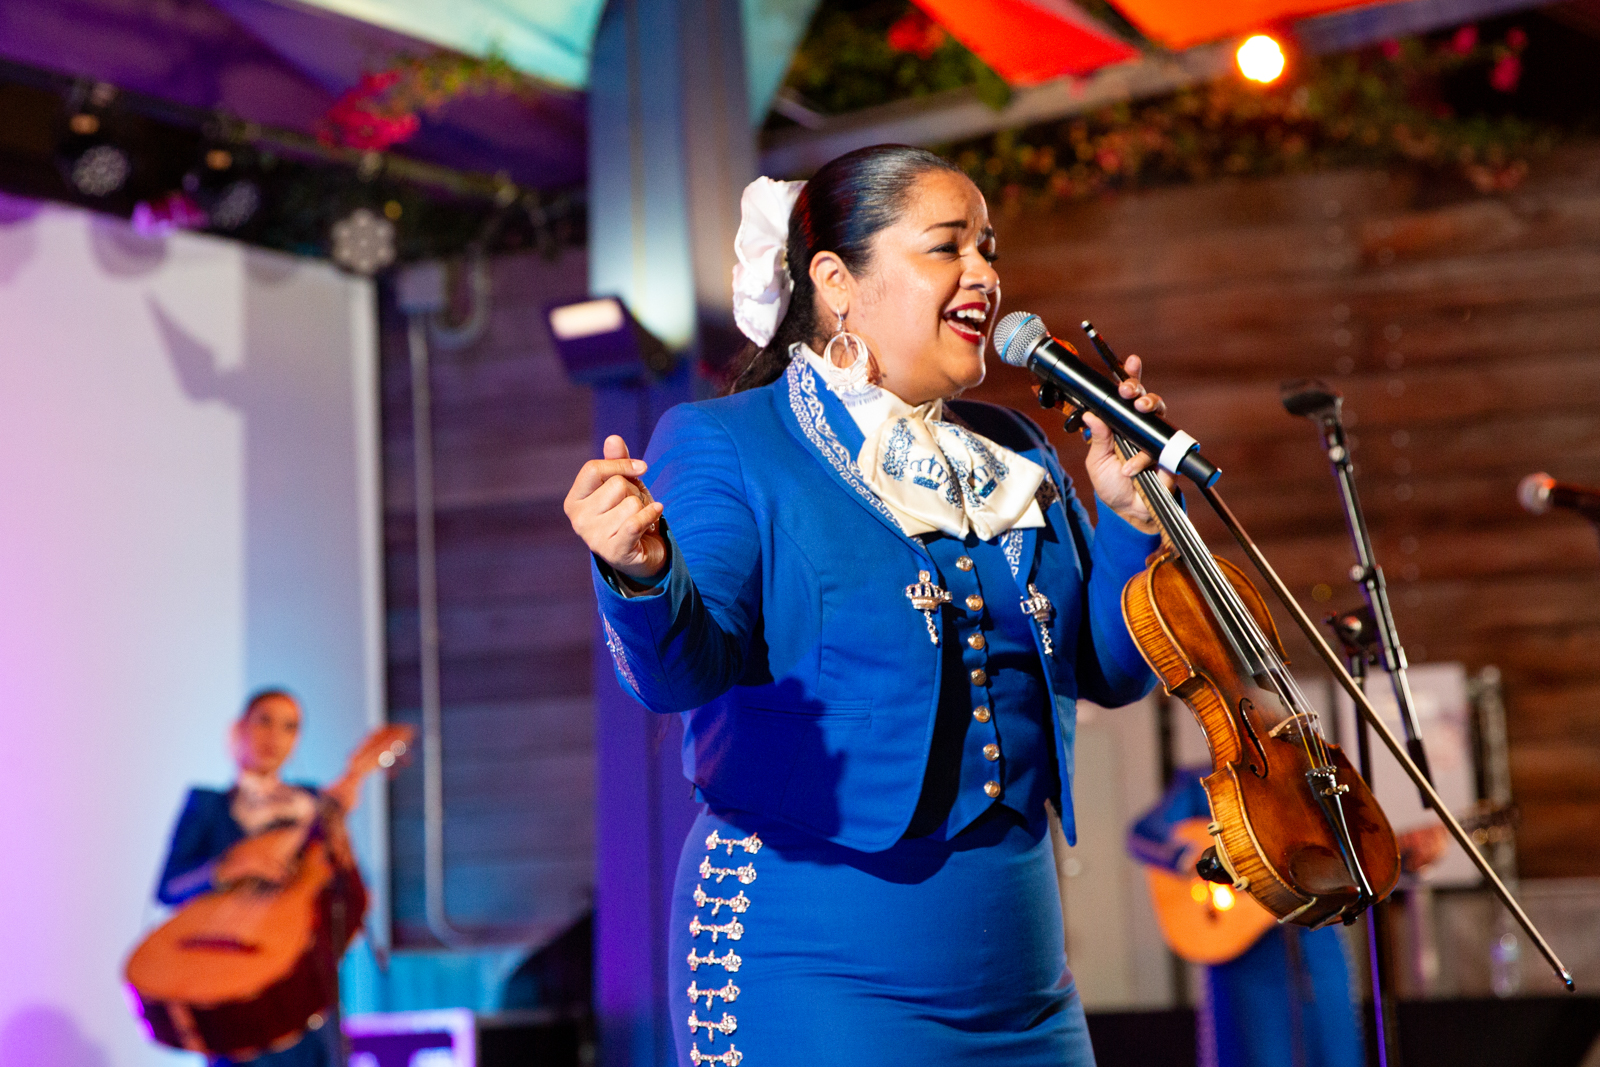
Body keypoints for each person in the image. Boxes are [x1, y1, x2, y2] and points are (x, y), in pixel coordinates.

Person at [565, 144, 1175, 1066]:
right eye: (948, 247)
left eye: (990, 249)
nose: (985, 275)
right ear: (837, 282)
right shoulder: (733, 442)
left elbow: (1105, 670)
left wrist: (1131, 521)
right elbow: (681, 673)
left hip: (1025, 986)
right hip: (811, 965)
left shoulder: (1017, 451)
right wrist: (641, 573)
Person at [156, 689, 362, 1067]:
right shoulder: (209, 805)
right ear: (240, 729)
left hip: (303, 987)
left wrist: (338, 834)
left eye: (289, 727)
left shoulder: (313, 805)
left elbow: (347, 899)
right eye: (264, 720)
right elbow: (168, 887)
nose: (274, 736)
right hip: (235, 986)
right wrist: (227, 867)